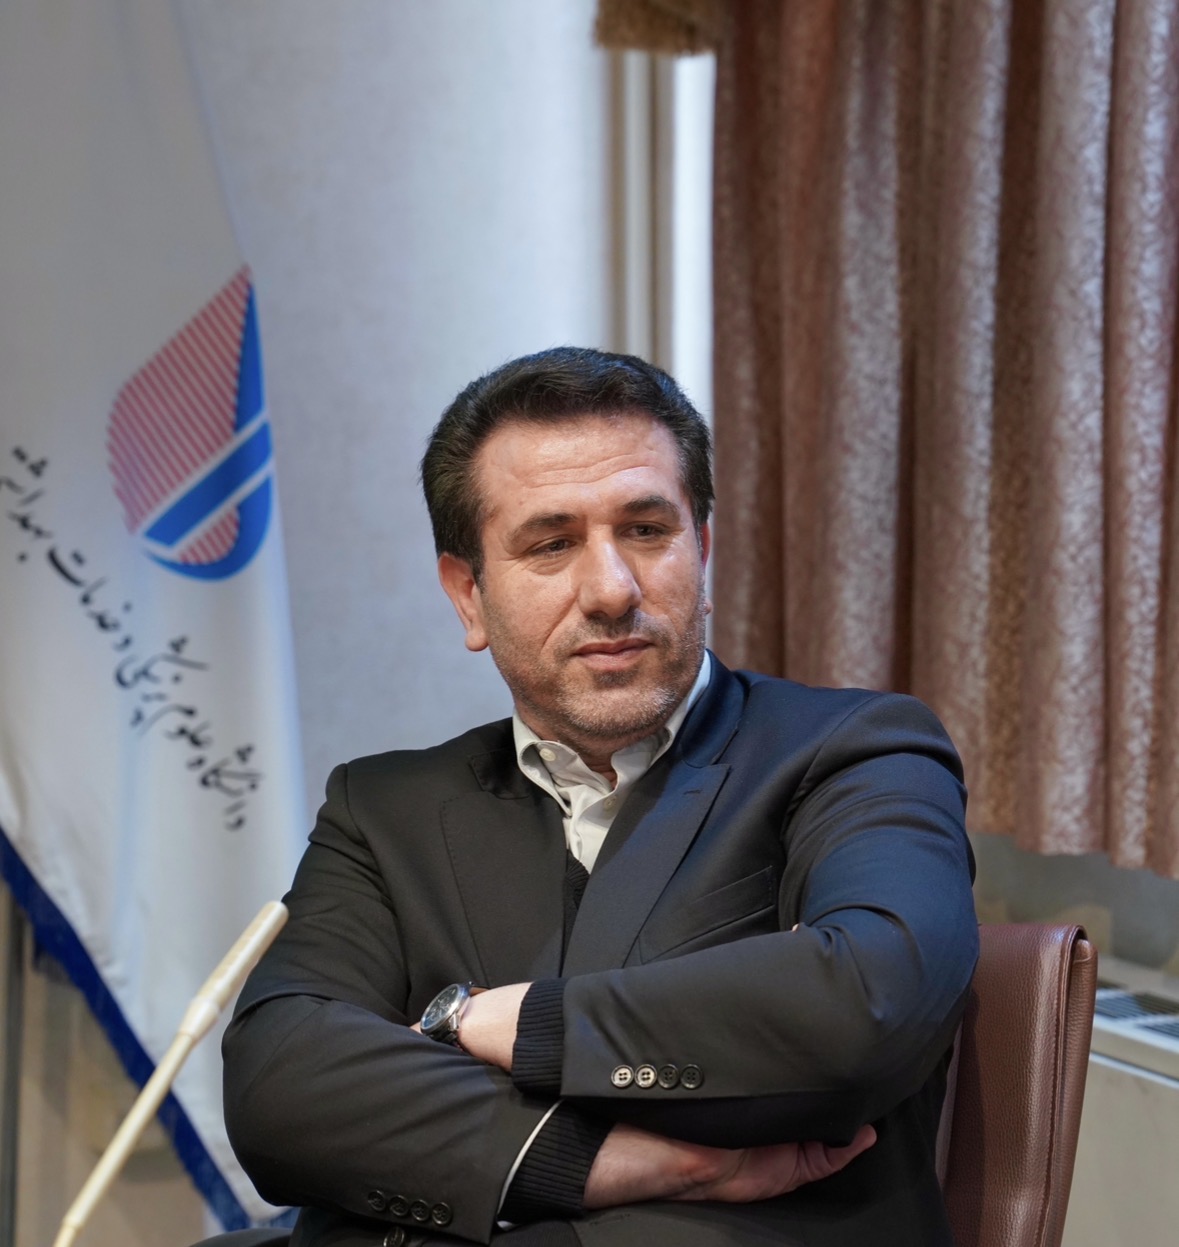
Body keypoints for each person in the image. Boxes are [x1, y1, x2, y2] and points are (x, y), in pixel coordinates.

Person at [223, 347, 979, 1247]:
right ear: (468, 595)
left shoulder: (855, 751)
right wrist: (615, 1158)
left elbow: (868, 998)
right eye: (551, 544)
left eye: (647, 530)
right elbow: (279, 1082)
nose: (612, 589)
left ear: (702, 549)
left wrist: (501, 1024)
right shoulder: (383, 808)